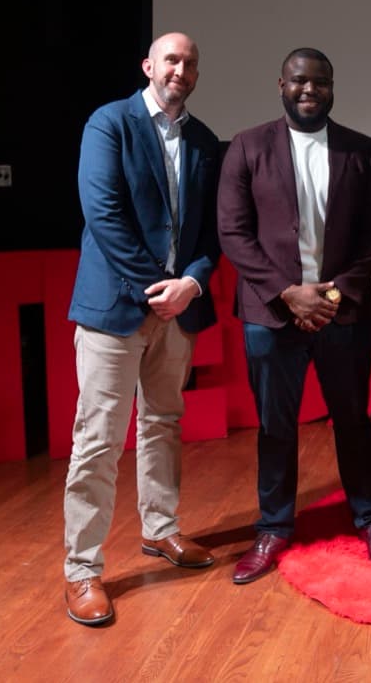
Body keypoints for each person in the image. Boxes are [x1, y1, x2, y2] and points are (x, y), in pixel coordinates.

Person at [217, 47, 371, 584]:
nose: (309, 90)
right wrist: (287, 294)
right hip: (271, 316)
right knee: (276, 426)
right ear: (281, 85)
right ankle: (273, 527)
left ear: (332, 87)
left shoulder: (360, 151)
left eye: (320, 81)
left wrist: (332, 297)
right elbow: (233, 232)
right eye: (299, 81)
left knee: (353, 421)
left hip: (341, 314)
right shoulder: (248, 147)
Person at [63, 32, 221, 626]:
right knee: (99, 439)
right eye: (171, 60)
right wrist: (159, 287)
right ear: (149, 66)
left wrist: (191, 285)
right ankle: (82, 570)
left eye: (190, 63)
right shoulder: (110, 123)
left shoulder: (205, 142)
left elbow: (210, 236)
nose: (180, 70)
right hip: (117, 309)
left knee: (163, 424)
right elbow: (102, 212)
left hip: (177, 310)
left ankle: (160, 530)